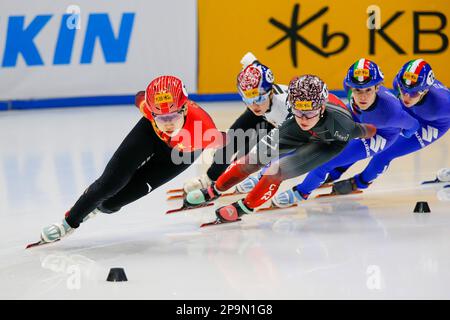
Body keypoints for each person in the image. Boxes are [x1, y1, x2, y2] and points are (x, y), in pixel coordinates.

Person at [39, 75, 222, 243]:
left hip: (179, 155)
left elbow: (234, 146)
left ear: (184, 109)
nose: (167, 123)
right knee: (109, 184)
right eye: (161, 117)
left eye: (173, 116)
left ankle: (96, 208)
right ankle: (68, 223)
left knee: (111, 203)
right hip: (149, 134)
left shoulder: (204, 130)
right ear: (152, 112)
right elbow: (140, 96)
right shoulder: (149, 110)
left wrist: (213, 179)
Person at [183, 74, 377, 223]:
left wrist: (376, 130)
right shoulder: (296, 118)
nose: (303, 118)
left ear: (322, 108)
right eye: (298, 111)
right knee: (254, 158)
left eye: (309, 113)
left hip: (328, 143)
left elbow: (363, 130)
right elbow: (299, 118)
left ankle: (244, 207)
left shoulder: (342, 125)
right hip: (297, 132)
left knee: (276, 171)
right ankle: (214, 190)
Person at [272, 58, 420, 207]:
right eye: (357, 90)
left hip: (381, 135)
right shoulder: (348, 87)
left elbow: (413, 125)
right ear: (351, 87)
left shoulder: (391, 112)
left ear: (377, 88)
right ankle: (333, 174)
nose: (362, 97)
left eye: (368, 90)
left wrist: (404, 135)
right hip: (357, 118)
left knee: (324, 161)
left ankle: (300, 193)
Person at [303, 59, 450, 195]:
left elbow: (411, 124)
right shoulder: (400, 85)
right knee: (363, 140)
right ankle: (336, 171)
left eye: (413, 93)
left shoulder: (444, 104)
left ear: (425, 90)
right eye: (403, 90)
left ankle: (360, 182)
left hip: (432, 124)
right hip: (408, 114)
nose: (406, 97)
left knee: (386, 152)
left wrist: (405, 131)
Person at [182, 52, 291, 194]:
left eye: (258, 99)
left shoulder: (285, 107)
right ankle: (210, 178)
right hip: (264, 114)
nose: (254, 105)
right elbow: (250, 59)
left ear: (270, 92)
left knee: (247, 154)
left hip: (278, 123)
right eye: (248, 100)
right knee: (229, 142)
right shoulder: (254, 79)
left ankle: (227, 180)